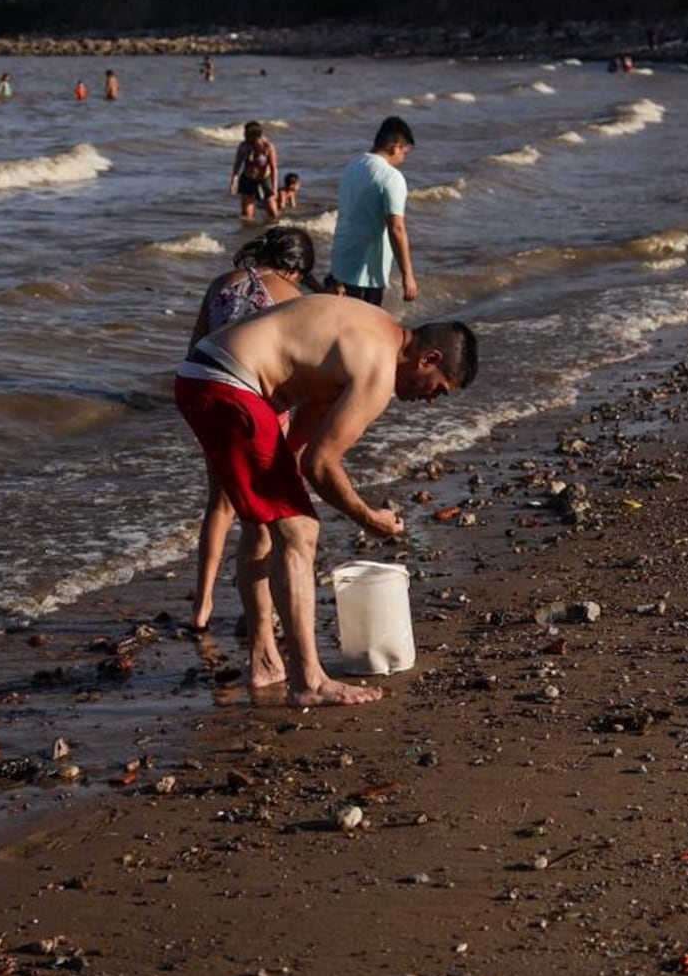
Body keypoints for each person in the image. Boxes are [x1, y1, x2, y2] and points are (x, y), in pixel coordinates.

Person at [174, 296, 478, 705]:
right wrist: (369, 519)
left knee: (266, 523)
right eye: (439, 390)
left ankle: (265, 661)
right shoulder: (379, 368)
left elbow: (303, 442)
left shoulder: (369, 329)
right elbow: (321, 465)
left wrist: (289, 471)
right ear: (429, 358)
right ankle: (308, 681)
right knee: (301, 530)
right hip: (230, 386)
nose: (431, 401)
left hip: (204, 373)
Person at [184, 227, 318, 632]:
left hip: (211, 396)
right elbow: (298, 370)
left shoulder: (221, 284)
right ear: (296, 268)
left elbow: (196, 348)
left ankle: (202, 605)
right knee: (260, 517)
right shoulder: (293, 297)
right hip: (260, 408)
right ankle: (257, 613)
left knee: (218, 505)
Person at [328, 116, 418, 306]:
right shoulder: (391, 176)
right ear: (396, 147)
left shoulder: (352, 166)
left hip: (342, 257)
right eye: (405, 152)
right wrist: (407, 275)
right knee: (366, 325)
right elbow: (397, 228)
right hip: (367, 269)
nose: (403, 159)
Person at [228, 121, 281, 223]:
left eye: (246, 133)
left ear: (255, 135)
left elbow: (274, 168)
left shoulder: (268, 147)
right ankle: (249, 234)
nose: (244, 135)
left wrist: (274, 188)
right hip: (248, 179)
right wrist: (233, 181)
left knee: (273, 214)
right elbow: (237, 165)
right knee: (247, 215)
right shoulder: (243, 146)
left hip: (264, 179)